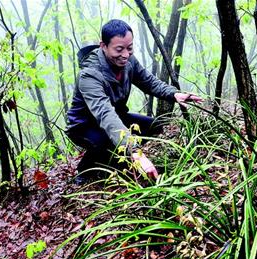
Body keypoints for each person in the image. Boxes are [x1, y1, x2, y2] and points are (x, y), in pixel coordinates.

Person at [66, 19, 203, 183]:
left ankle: (114, 158)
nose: (125, 54)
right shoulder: (89, 75)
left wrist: (174, 94)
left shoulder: (129, 61)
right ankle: (84, 171)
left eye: (129, 48)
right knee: (103, 141)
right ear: (103, 46)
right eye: (119, 49)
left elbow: (149, 82)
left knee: (154, 125)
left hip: (117, 117)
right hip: (84, 126)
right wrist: (136, 152)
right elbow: (105, 115)